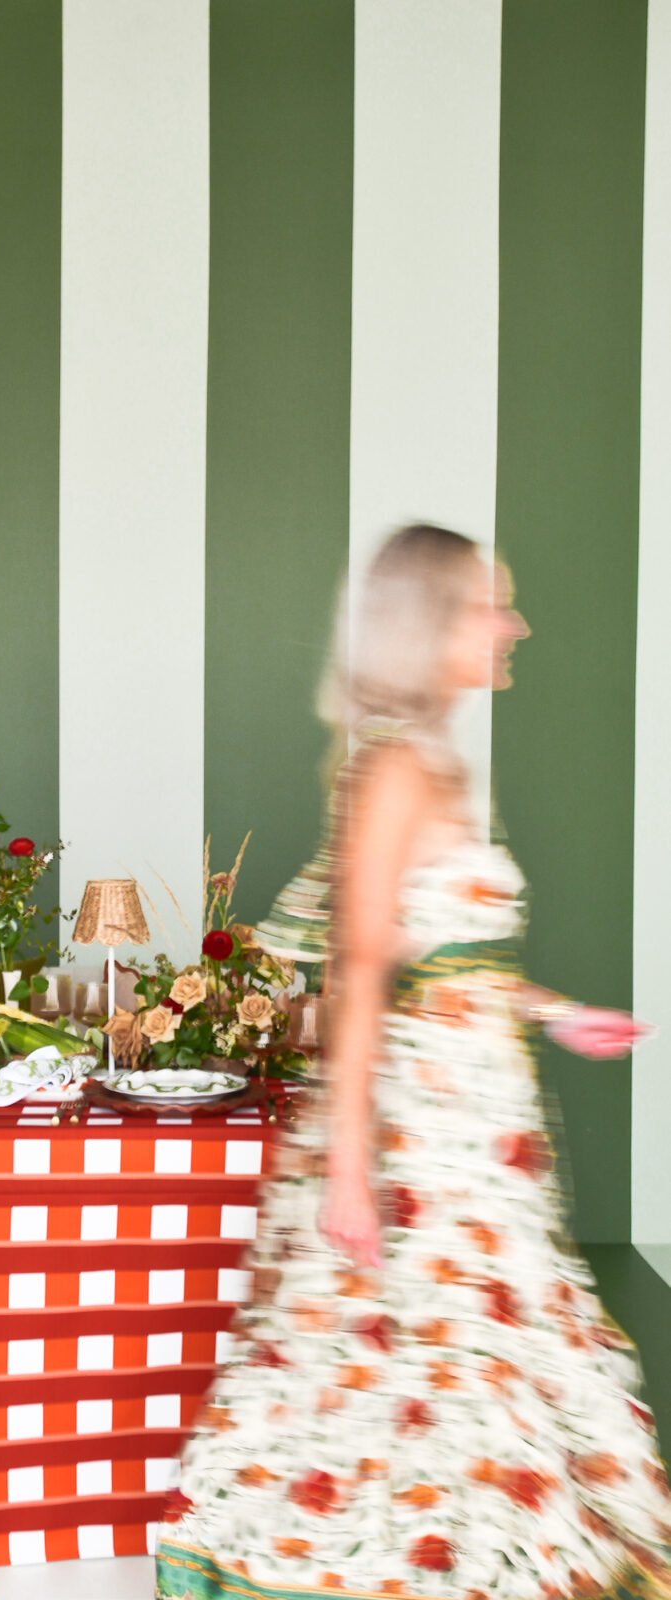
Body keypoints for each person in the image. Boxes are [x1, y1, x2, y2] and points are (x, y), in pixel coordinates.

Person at [155, 524, 671, 1600]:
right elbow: (357, 973)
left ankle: (468, 1561)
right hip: (420, 1138)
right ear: (428, 625)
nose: (513, 624)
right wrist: (349, 1168)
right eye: (490, 605)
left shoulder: (437, 765)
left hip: (483, 1131)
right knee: (417, 1356)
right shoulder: (390, 769)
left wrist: (558, 1012)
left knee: (464, 1353)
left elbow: (445, 958)